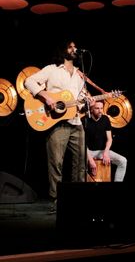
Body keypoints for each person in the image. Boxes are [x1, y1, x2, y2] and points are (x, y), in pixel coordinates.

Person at [24, 39, 107, 211]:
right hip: (55, 123)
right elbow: (29, 82)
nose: (74, 49)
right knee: (56, 163)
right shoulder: (52, 69)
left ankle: (77, 198)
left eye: (75, 46)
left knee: (80, 162)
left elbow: (79, 101)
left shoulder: (79, 74)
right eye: (70, 46)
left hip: (76, 121)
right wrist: (45, 96)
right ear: (63, 50)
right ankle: (56, 200)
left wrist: (88, 102)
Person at [86, 100, 127, 182]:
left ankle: (117, 186)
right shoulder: (85, 120)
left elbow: (109, 139)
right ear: (91, 109)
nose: (100, 110)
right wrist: (90, 159)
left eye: (101, 108)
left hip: (102, 151)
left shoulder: (105, 119)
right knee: (78, 164)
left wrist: (106, 152)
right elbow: (82, 144)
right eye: (97, 108)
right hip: (87, 152)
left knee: (123, 161)